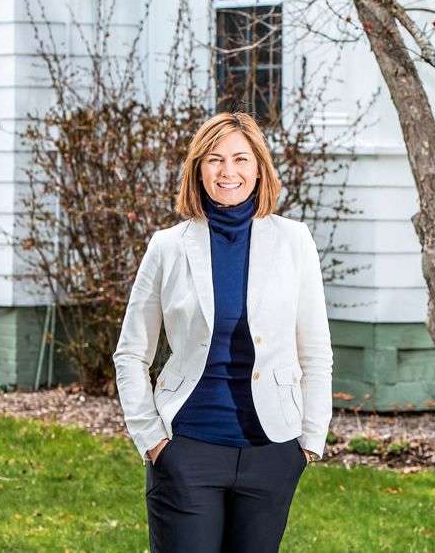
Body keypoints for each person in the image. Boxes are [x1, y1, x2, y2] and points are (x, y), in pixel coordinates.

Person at [113, 111, 333, 552]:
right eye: (214, 160)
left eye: (240, 159)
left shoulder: (295, 242)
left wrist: (309, 440)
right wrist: (153, 440)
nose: (228, 172)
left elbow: (315, 351)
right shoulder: (168, 247)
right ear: (198, 169)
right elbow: (131, 354)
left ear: (259, 167)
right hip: (188, 448)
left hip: (272, 451)